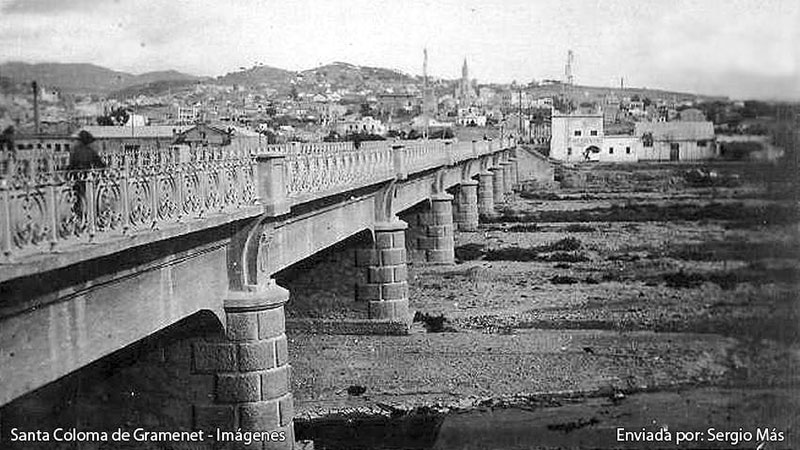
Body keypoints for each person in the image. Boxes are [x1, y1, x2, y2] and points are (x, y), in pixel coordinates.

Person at [67, 131, 106, 219]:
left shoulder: (75, 152)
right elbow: (100, 164)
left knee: (78, 199)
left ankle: (79, 218)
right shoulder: (90, 152)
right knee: (92, 197)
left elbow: (71, 166)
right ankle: (93, 216)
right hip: (88, 177)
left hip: (77, 178)